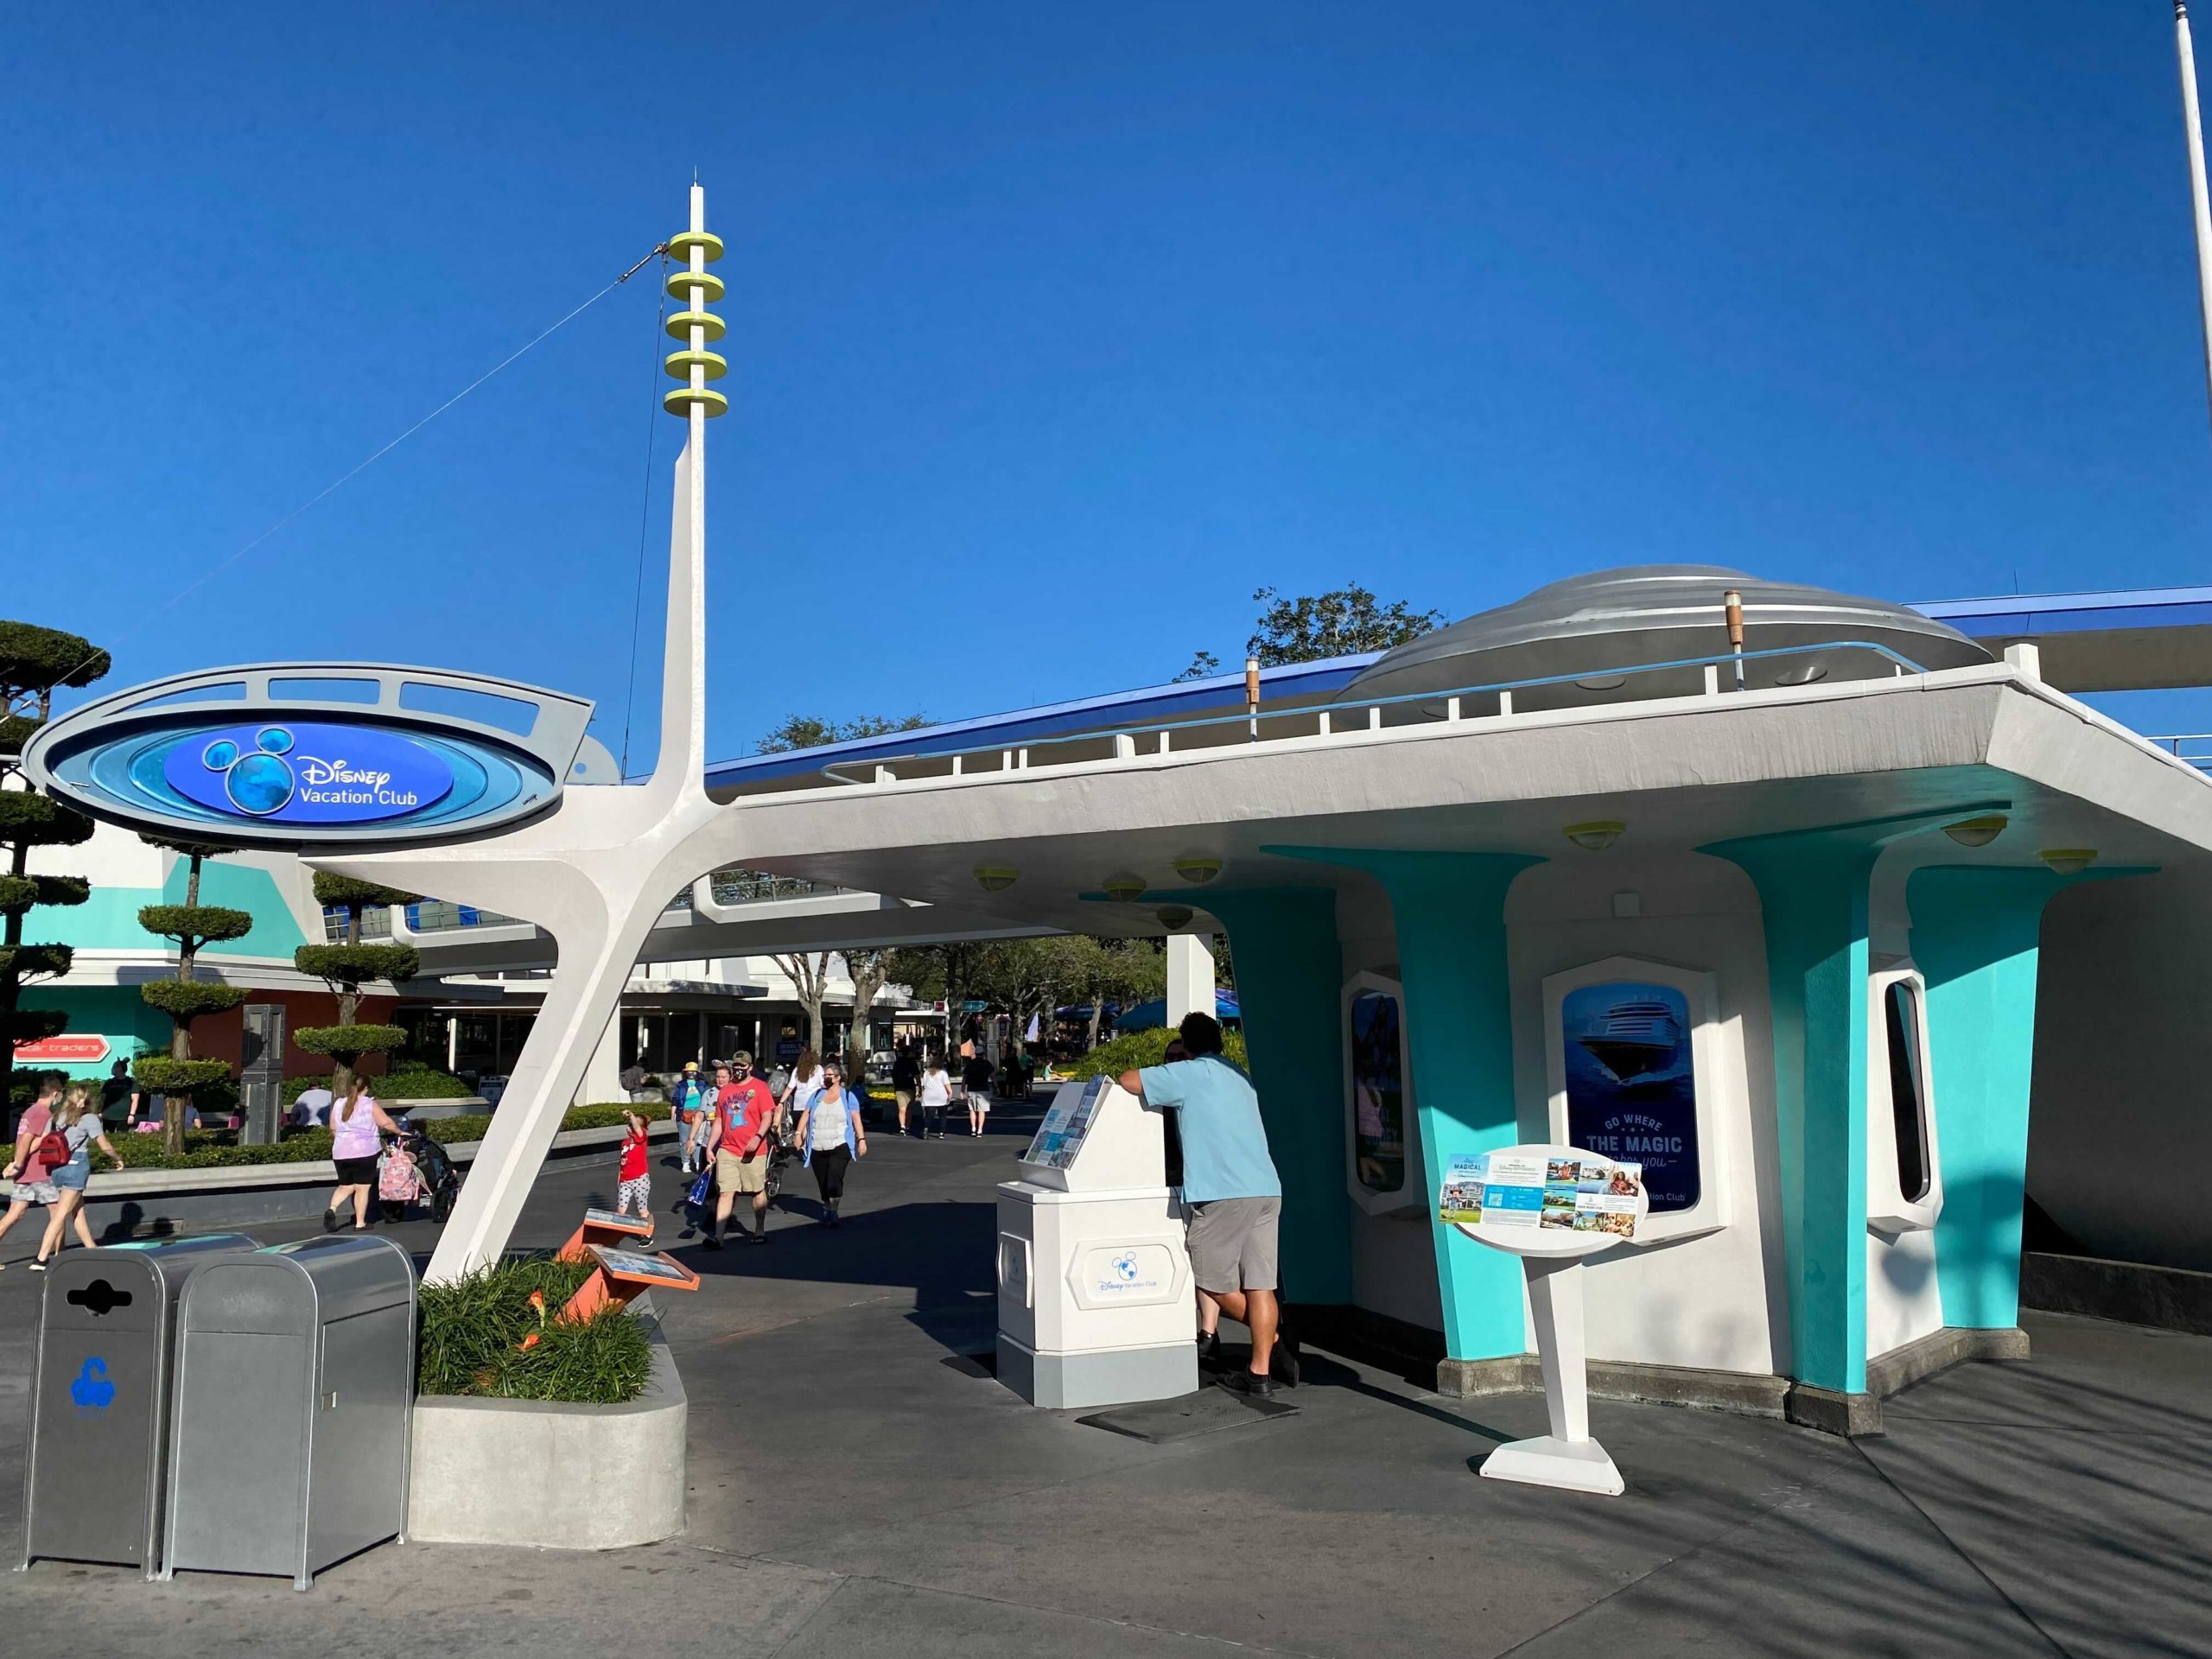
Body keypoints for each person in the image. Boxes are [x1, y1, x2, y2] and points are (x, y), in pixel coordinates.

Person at [1120, 1012, 1297, 1397]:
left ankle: (1273, 1338)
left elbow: (1128, 1080)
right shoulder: (1238, 1075)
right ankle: (1259, 1373)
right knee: (1260, 1284)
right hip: (1266, 1188)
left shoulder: (1190, 1073)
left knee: (1208, 1279)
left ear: (1187, 1045)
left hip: (1224, 1192)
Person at [30, 1084, 125, 1268]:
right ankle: (41, 1258)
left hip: (57, 1167)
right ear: (86, 1100)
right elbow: (105, 1146)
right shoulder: (89, 1118)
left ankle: (92, 1248)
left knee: (78, 1212)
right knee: (61, 1214)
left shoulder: (56, 1116)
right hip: (76, 1167)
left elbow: (43, 1140)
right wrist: (118, 1158)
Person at [703, 1051, 777, 1248]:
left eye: (742, 1066)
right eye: (736, 1066)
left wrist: (758, 1136)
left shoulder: (760, 1087)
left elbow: (767, 1116)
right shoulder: (725, 1090)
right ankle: (718, 1237)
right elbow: (719, 1121)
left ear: (750, 1067)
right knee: (726, 1192)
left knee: (757, 1190)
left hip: (753, 1151)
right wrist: (710, 1147)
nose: (738, 1069)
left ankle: (759, 1229)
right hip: (728, 1149)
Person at [0, 1072, 67, 1264]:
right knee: (58, 1214)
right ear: (55, 1093)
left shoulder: (30, 1112)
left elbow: (22, 1140)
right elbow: (31, 1140)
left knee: (15, 1214)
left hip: (25, 1174)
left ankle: (58, 1254)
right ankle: (60, 1256)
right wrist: (18, 1163)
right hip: (39, 1172)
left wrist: (17, 1164)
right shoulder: (42, 1113)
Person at [323, 1077, 404, 1232]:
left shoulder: (339, 1104)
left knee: (345, 1186)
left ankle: (332, 1209)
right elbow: (385, 1123)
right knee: (362, 1188)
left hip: (340, 1152)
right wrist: (400, 1131)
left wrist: (343, 1141)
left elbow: (333, 1128)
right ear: (366, 1088)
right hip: (365, 1152)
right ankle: (360, 1223)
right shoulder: (369, 1103)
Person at [794, 1061, 867, 1226]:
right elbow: (806, 1114)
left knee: (834, 1178)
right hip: (817, 1145)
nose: (826, 1078)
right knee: (823, 1181)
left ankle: (833, 1211)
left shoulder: (847, 1096)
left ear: (838, 1077)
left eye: (829, 1076)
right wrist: (798, 1134)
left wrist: (861, 1140)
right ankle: (827, 1207)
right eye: (824, 1075)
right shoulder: (816, 1095)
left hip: (840, 1145)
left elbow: (856, 1119)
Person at [613, 1108, 654, 1236]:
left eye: (632, 1126)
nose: (630, 1128)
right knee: (621, 1209)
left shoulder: (642, 1139)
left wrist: (631, 1115)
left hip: (639, 1179)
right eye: (629, 1125)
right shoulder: (625, 1143)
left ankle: (646, 1235)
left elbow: (637, 1128)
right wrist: (619, 1179)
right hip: (625, 1180)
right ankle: (617, 1234)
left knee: (642, 1210)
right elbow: (622, 1163)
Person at [671, 1060, 713, 1175]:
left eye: (693, 1071)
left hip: (698, 1112)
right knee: (684, 1139)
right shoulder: (680, 1085)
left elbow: (709, 1097)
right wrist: (673, 1110)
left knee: (698, 1139)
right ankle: (685, 1162)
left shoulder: (702, 1084)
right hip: (683, 1112)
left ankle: (698, 1161)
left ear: (697, 1072)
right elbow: (676, 1098)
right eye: (689, 1071)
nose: (691, 1073)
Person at [779, 1047, 823, 1140]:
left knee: (802, 1125)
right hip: (813, 1101)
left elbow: (790, 1087)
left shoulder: (797, 1070)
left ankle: (802, 1143)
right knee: (810, 1125)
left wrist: (781, 1102)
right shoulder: (818, 1068)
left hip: (799, 1103)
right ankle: (807, 1144)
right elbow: (823, 1084)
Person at [917, 1054, 954, 1139]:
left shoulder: (927, 1072)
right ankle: (941, 1132)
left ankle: (926, 1128)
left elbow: (924, 1085)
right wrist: (950, 1093)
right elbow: (947, 1085)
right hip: (941, 1096)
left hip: (929, 1097)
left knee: (929, 1116)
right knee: (943, 1115)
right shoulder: (943, 1073)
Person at [99, 1059, 142, 1130]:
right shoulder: (108, 1083)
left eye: (113, 1067)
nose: (111, 1069)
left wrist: (132, 1115)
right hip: (107, 1116)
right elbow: (102, 1098)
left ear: (120, 1069)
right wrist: (99, 1112)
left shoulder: (131, 1082)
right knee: (108, 1134)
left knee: (122, 1135)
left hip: (123, 1117)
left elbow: (135, 1099)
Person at [963, 1051, 994, 1138]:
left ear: (975, 1054)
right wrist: (996, 1086)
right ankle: (980, 1129)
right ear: (983, 1054)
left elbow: (964, 1077)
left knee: (972, 1109)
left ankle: (973, 1128)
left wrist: (962, 1089)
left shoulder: (970, 1064)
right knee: (981, 1110)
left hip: (971, 1089)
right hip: (983, 1089)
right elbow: (992, 1075)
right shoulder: (986, 1063)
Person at [891, 1044, 920, 1137]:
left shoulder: (897, 1062)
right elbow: (917, 1075)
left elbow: (894, 1076)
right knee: (909, 1108)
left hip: (899, 1088)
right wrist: (919, 1087)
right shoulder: (912, 1062)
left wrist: (895, 1086)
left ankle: (902, 1127)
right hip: (910, 1087)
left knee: (901, 1108)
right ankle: (907, 1126)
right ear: (909, 1053)